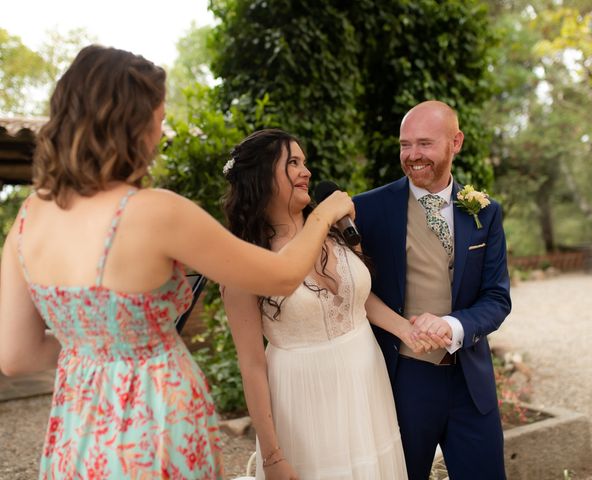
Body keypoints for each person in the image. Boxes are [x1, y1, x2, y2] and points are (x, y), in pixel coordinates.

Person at [0, 45, 354, 480]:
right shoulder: (155, 211)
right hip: (158, 424)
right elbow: (281, 276)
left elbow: (15, 356)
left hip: (78, 428)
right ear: (131, 122)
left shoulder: (28, 217)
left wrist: (100, 346)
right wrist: (324, 213)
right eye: (159, 117)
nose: (160, 129)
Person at [221, 128, 433, 480]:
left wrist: (405, 329)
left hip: (366, 383)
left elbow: (358, 301)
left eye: (305, 162)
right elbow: (252, 367)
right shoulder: (243, 264)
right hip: (305, 399)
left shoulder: (338, 232)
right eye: (292, 163)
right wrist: (272, 456)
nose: (306, 172)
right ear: (261, 176)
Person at [353, 100, 512, 479]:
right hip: (401, 381)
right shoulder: (367, 209)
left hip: (470, 383)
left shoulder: (484, 212)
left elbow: (497, 297)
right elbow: (349, 288)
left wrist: (453, 326)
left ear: (455, 142)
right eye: (405, 145)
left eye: (424, 143)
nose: (412, 155)